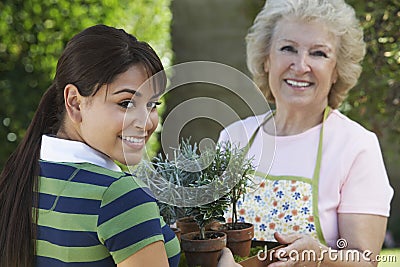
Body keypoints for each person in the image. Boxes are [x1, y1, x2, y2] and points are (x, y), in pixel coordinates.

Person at [0, 24, 240, 267]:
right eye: (125, 103)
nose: (147, 123)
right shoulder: (119, 195)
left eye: (152, 104)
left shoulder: (19, 177)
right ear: (75, 103)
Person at [219, 0, 394, 266]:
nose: (300, 66)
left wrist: (320, 257)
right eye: (288, 48)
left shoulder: (356, 146)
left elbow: (365, 260)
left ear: (337, 70)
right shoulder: (234, 137)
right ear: (266, 60)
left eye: (319, 54)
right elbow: (207, 233)